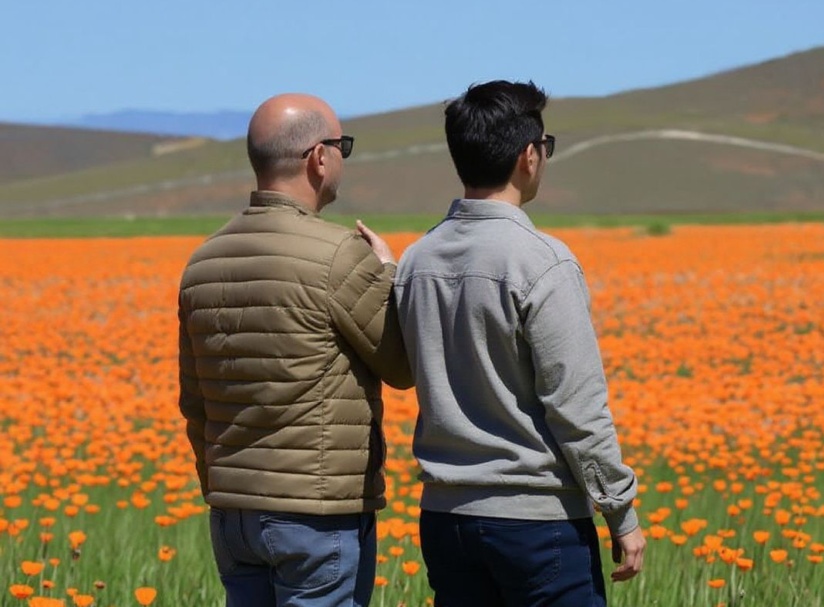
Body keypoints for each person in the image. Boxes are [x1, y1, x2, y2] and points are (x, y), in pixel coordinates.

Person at [394, 80, 645, 607]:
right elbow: (576, 406)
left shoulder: (416, 260)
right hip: (536, 524)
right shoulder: (541, 261)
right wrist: (620, 511)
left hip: (445, 519)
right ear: (529, 156)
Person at [177, 93, 413, 607]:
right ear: (318, 157)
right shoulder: (337, 255)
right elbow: (401, 362)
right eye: (342, 145)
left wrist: (220, 486)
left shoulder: (201, 262)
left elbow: (194, 401)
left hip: (232, 514)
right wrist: (387, 272)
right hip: (315, 515)